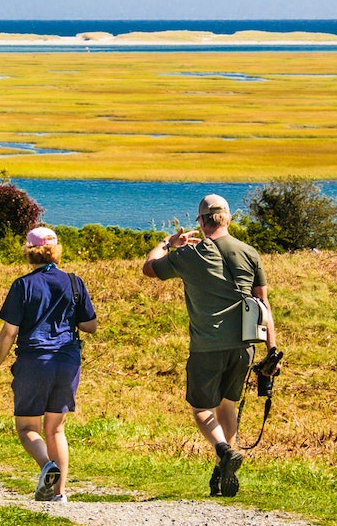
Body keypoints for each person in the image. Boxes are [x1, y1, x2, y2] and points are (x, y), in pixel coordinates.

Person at [140, 194, 278, 498]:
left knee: (202, 408)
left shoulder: (191, 254)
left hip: (207, 345)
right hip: (245, 345)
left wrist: (167, 243)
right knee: (227, 406)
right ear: (227, 219)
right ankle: (221, 471)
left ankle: (224, 450)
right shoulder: (249, 252)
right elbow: (264, 304)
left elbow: (149, 269)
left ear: (201, 222)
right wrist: (272, 350)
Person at [0, 226, 98, 503]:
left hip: (34, 361)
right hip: (67, 362)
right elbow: (90, 326)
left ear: (29, 252)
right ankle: (59, 494)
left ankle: (47, 465)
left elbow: (9, 331)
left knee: (27, 428)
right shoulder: (74, 282)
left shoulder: (22, 285)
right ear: (56, 251)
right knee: (56, 428)